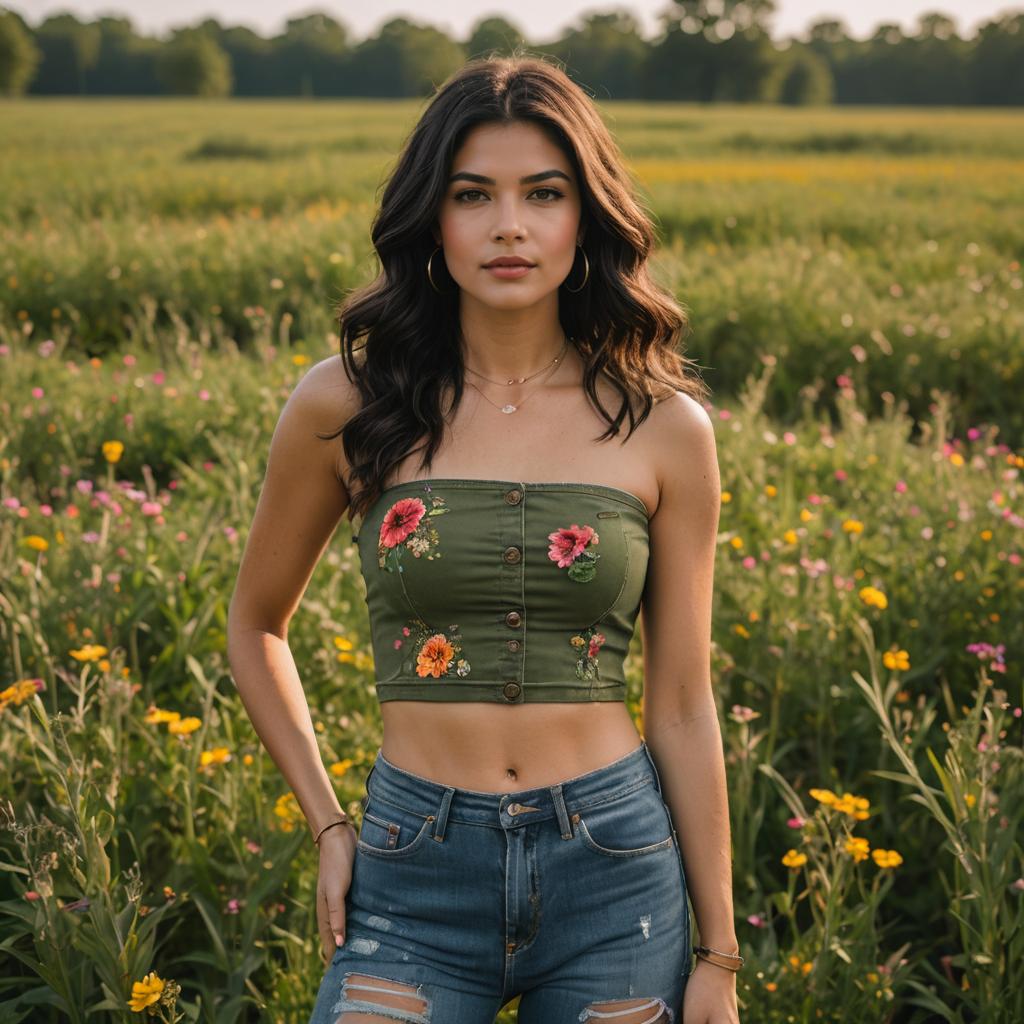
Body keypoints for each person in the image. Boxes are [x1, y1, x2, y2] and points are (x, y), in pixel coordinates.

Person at [227, 53, 741, 1024]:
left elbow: (680, 703)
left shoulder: (664, 426)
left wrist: (718, 953)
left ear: (585, 216)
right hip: (413, 871)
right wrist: (328, 823)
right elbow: (255, 624)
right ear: (433, 218)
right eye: (473, 195)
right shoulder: (348, 402)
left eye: (543, 193)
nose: (509, 225)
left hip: (614, 872)